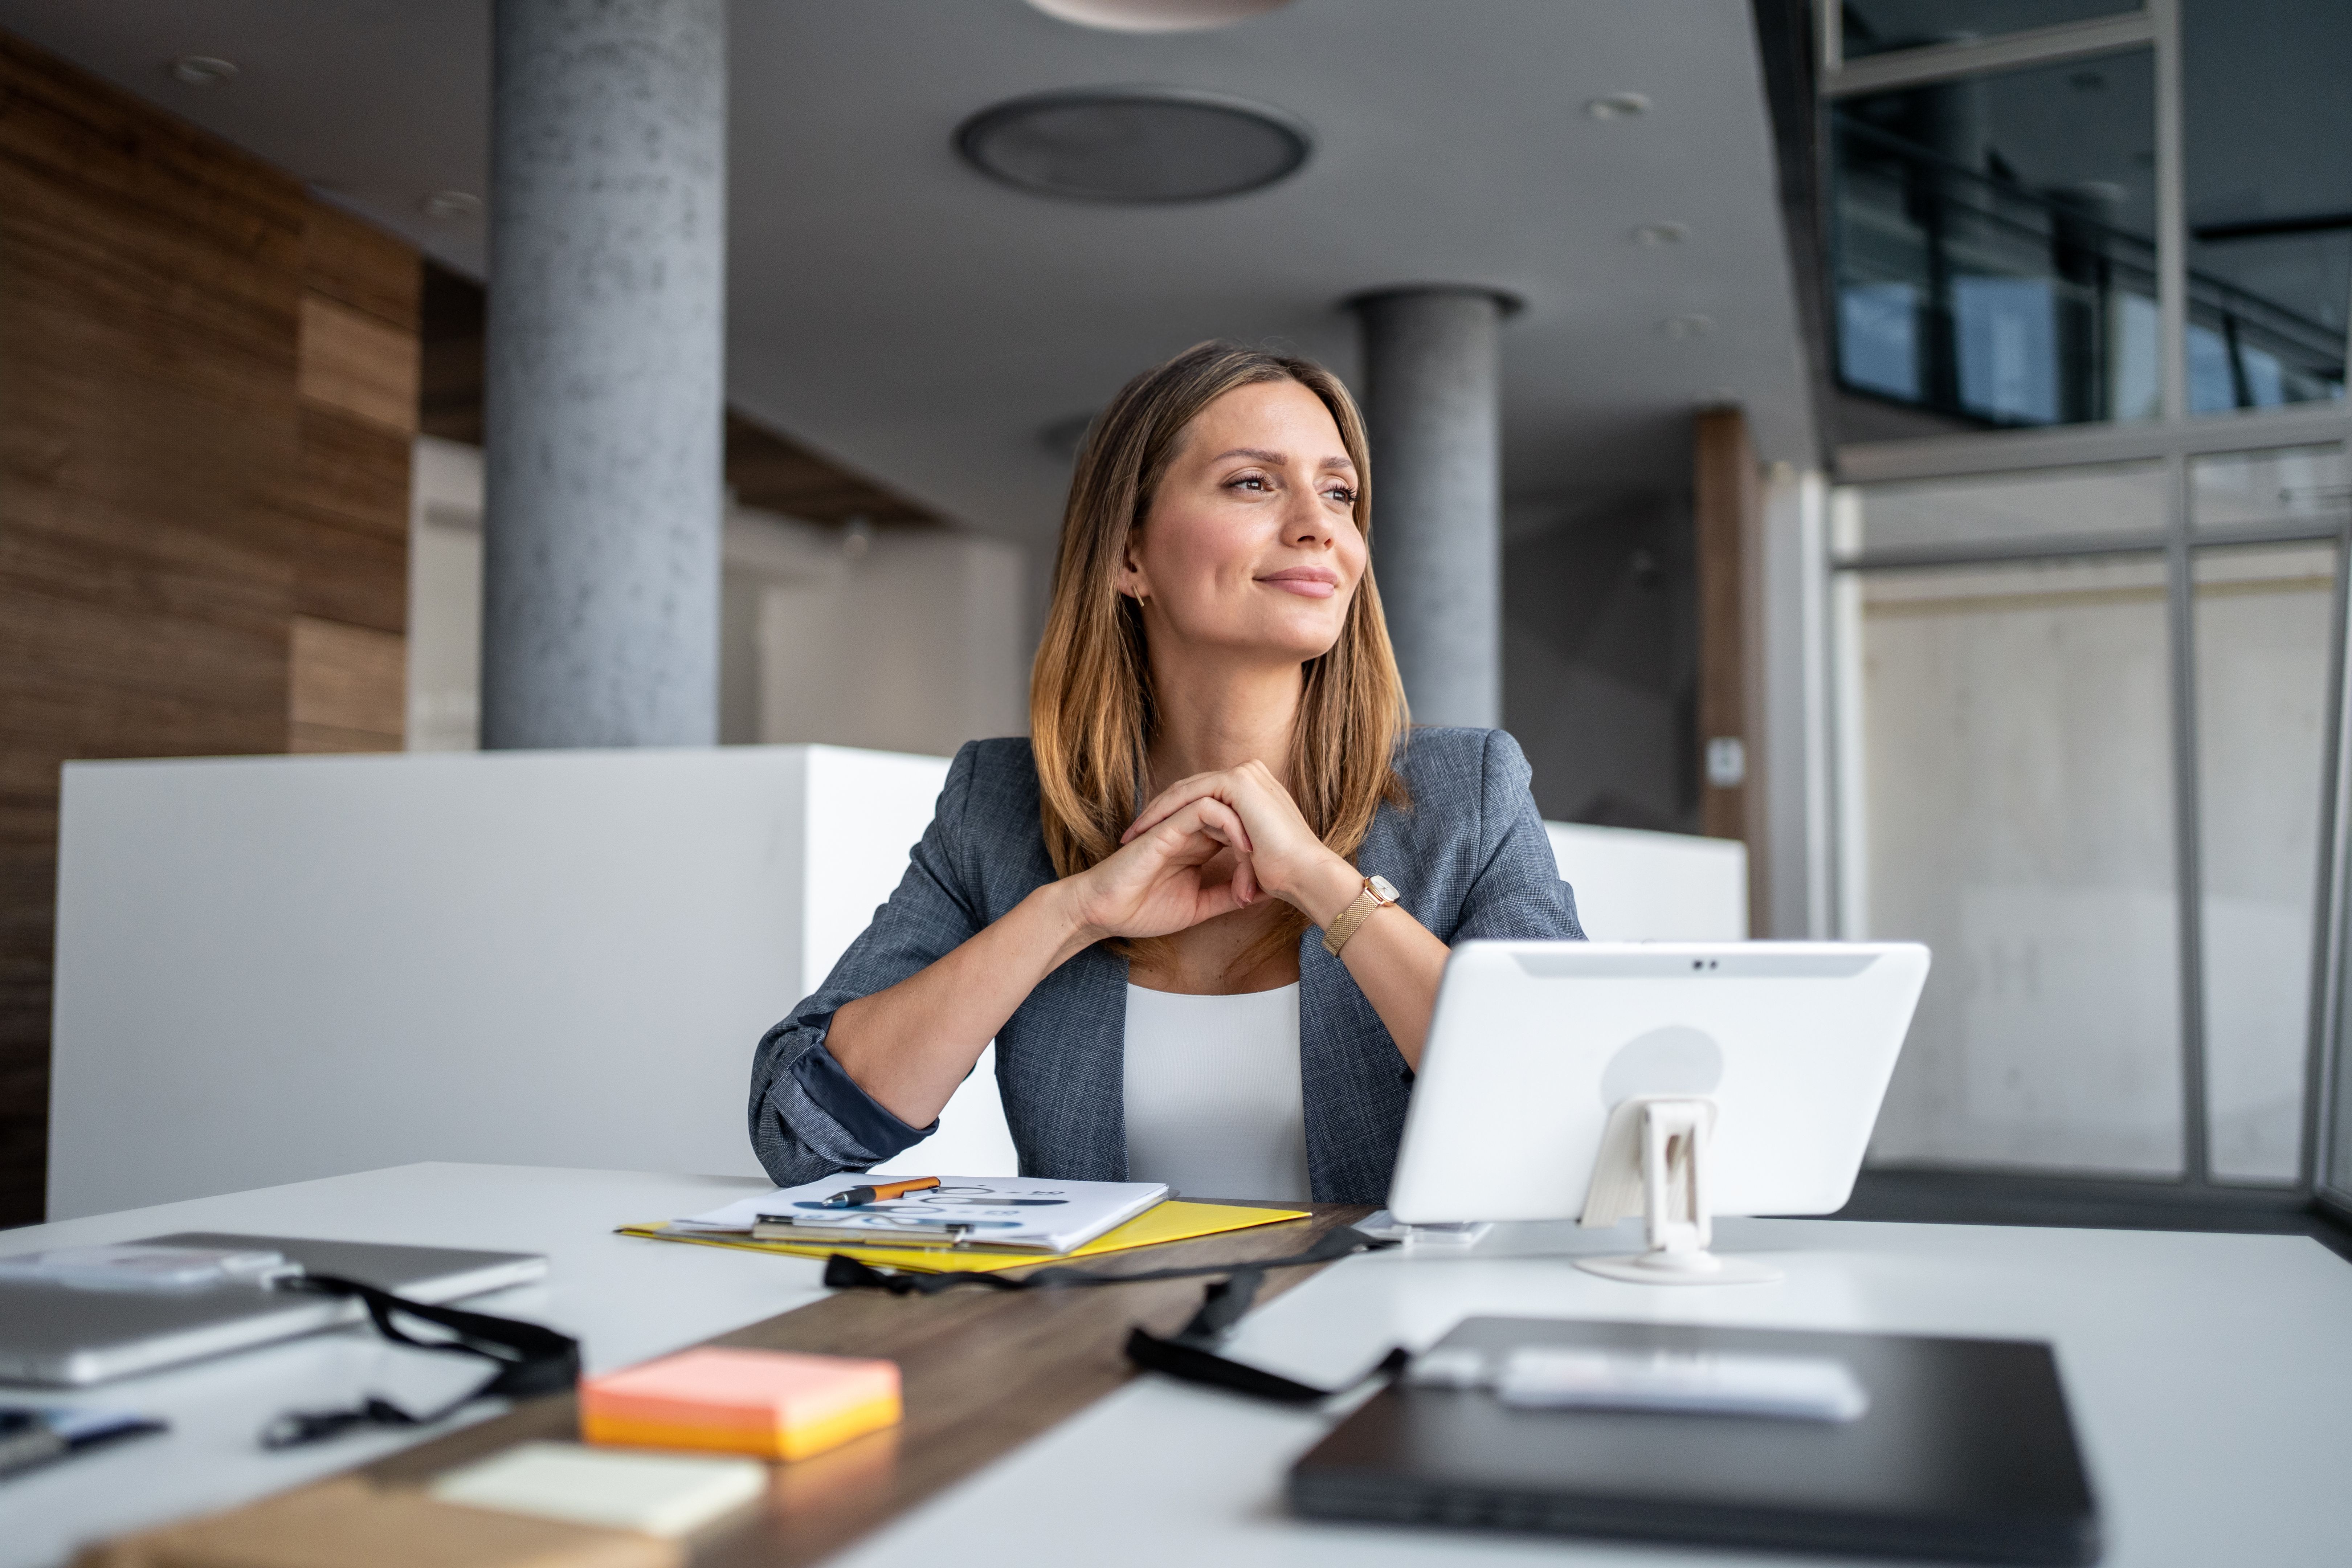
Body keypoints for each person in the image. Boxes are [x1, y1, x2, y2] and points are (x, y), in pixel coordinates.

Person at [749, 342, 1582, 1205]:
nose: (1319, 525)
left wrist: (1326, 888)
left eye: (1340, 492)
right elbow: (800, 1132)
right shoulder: (998, 806)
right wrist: (1073, 914)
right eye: (1253, 483)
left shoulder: (1468, 794)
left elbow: (1577, 1111)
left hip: (1379, 1331)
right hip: (1103, 1334)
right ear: (1128, 556)